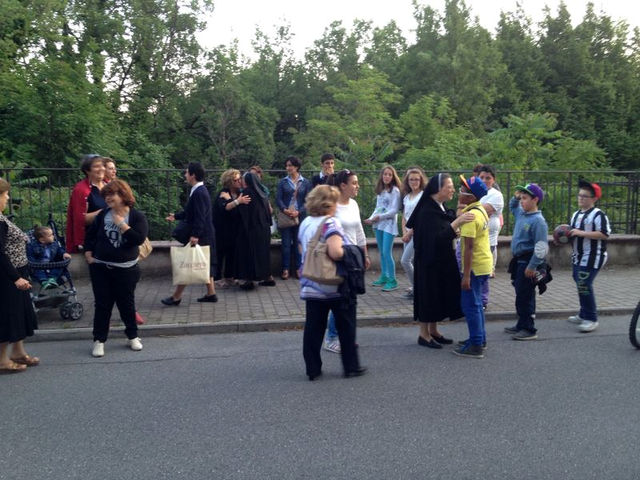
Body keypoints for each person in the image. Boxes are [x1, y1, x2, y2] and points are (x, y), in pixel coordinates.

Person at [298, 185, 365, 380]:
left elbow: (303, 249)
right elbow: (336, 252)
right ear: (329, 204)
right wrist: (351, 252)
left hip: (311, 282)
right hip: (334, 284)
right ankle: (351, 366)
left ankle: (313, 368)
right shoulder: (331, 223)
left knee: (313, 327)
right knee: (346, 326)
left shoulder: (306, 222)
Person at [406, 173, 474, 348]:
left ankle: (434, 331)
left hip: (439, 260)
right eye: (449, 187)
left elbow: (443, 228)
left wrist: (454, 224)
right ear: (438, 189)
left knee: (437, 295)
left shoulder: (439, 206)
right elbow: (436, 238)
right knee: (428, 295)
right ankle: (424, 334)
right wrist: (457, 223)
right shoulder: (426, 210)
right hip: (428, 262)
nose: (452, 190)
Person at [84, 179, 148, 357]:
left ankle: (132, 336)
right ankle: (99, 340)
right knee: (102, 305)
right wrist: (89, 253)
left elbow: (138, 239)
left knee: (126, 304)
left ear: (123, 195)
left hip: (126, 269)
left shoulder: (136, 216)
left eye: (112, 194)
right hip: (101, 268)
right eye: (106, 195)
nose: (108, 198)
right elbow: (90, 236)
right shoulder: (102, 215)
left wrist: (122, 224)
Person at [323, 169, 370, 354]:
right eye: (354, 183)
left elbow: (359, 231)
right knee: (340, 299)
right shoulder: (332, 206)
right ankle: (332, 337)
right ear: (343, 185)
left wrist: (364, 254)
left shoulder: (354, 204)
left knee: (350, 299)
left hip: (354, 258)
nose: (357, 186)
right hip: (338, 257)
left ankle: (345, 336)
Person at [162, 162, 218, 305]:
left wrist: (195, 235)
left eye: (187, 172)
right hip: (204, 233)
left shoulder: (199, 192)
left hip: (202, 234)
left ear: (193, 175)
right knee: (203, 263)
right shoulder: (198, 190)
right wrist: (176, 216)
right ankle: (211, 294)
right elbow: (191, 212)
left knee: (189, 263)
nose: (185, 175)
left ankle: (176, 297)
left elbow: (200, 216)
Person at [0, 178, 39, 373]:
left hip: (18, 271)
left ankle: (18, 351)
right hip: (8, 276)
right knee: (8, 316)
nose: (7, 198)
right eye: (5, 194)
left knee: (20, 315)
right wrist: (15, 278)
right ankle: (2, 360)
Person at [453, 175, 492, 359]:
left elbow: (468, 247)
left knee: (470, 305)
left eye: (463, 190)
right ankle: (479, 338)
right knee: (476, 305)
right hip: (484, 264)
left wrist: (466, 275)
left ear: (470, 196)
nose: (459, 192)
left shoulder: (470, 216)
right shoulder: (480, 210)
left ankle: (476, 345)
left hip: (474, 267)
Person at [504, 183, 549, 341]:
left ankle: (529, 328)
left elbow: (541, 247)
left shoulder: (538, 221)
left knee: (526, 295)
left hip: (528, 262)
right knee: (520, 293)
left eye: (525, 198)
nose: (521, 201)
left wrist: (532, 266)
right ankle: (521, 323)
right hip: (519, 261)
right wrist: (516, 196)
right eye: (521, 198)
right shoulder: (522, 214)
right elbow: (512, 205)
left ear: (535, 200)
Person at [567, 180, 611, 333]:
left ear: (594, 199)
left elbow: (605, 234)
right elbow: (571, 232)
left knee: (584, 284)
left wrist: (582, 233)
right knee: (580, 283)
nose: (581, 198)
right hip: (577, 255)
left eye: (585, 196)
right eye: (580, 195)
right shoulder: (576, 214)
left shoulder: (598, 214)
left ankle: (591, 319)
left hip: (593, 255)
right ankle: (583, 313)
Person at [364, 165, 402, 292]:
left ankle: (393, 280)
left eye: (389, 175)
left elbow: (394, 211)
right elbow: (378, 207)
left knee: (387, 252)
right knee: (381, 252)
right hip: (378, 225)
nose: (387, 177)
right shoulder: (381, 191)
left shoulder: (395, 191)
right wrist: (371, 218)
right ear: (382, 176)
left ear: (393, 177)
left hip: (389, 226)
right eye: (385, 174)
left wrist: (379, 217)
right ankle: (384, 276)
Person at [235, 172, 275, 289]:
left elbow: (243, 212)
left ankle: (249, 280)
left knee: (250, 254)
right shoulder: (262, 193)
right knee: (263, 254)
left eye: (242, 179)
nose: (240, 181)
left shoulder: (247, 193)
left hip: (252, 230)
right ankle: (268, 277)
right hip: (264, 228)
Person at [276, 156, 311, 280]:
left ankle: (298, 268)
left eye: (290, 165)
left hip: (300, 217)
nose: (288, 168)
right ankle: (285, 269)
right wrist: (285, 210)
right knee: (285, 244)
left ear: (296, 166)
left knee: (298, 243)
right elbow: (278, 198)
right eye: (287, 165)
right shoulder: (283, 182)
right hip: (286, 217)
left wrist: (299, 212)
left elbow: (308, 200)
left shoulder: (305, 182)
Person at [213, 169, 248, 288]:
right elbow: (225, 207)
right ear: (229, 182)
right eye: (236, 180)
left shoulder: (240, 193)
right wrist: (238, 201)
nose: (239, 182)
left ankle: (229, 276)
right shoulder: (223, 193)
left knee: (232, 253)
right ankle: (217, 278)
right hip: (222, 228)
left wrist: (236, 200)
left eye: (239, 179)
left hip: (234, 228)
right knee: (220, 253)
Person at [65, 155, 107, 253]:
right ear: (87, 171)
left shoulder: (110, 185)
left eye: (102, 166)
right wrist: (106, 212)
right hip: (95, 241)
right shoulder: (81, 190)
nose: (101, 169)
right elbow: (81, 220)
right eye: (96, 166)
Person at [477, 165, 504, 307]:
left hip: (488, 238)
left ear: (493, 180)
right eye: (481, 177)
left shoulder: (496, 195)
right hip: (474, 236)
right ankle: (474, 298)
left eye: (488, 178)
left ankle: (483, 300)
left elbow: (481, 211)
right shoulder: (476, 192)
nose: (484, 180)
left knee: (483, 271)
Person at [400, 167, 426, 300]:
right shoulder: (407, 197)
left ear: (421, 181)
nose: (414, 182)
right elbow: (404, 216)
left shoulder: (423, 196)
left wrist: (409, 233)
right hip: (407, 234)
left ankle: (419, 288)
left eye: (417, 179)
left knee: (405, 261)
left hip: (418, 233)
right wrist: (404, 232)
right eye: (411, 179)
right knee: (413, 262)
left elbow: (421, 218)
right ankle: (417, 288)